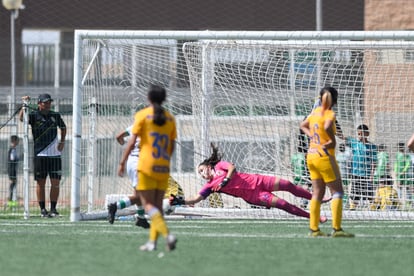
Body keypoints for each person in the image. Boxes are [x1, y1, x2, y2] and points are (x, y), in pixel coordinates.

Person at [170, 143, 330, 223]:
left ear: (208, 166)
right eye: (199, 174)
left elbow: (232, 168)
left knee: (288, 185)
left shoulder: (219, 166)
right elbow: (197, 198)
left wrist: (226, 180)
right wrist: (181, 201)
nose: (202, 174)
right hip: (255, 195)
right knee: (283, 204)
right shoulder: (209, 186)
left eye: (201, 170)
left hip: (259, 180)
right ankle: (313, 217)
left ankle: (316, 198)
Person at [118, 85, 177, 252]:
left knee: (148, 206)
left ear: (149, 99)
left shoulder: (143, 115)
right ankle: (152, 243)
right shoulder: (170, 118)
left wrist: (122, 162)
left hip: (146, 165)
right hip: (163, 166)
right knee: (157, 209)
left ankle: (167, 235)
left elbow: (131, 142)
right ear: (164, 99)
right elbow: (171, 147)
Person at [300, 86, 354, 237]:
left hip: (311, 155)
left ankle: (314, 229)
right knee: (337, 191)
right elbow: (328, 125)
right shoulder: (329, 114)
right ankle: (337, 229)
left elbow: (302, 125)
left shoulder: (315, 113)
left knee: (317, 192)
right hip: (324, 156)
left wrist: (312, 136)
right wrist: (331, 139)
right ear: (334, 101)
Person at [19, 94, 66, 218]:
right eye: (45, 102)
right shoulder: (34, 115)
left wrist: (62, 142)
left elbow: (63, 127)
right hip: (40, 154)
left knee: (55, 182)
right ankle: (43, 210)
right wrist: (24, 105)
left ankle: (54, 209)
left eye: (49, 102)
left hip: (55, 155)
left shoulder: (55, 115)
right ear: (39, 103)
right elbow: (22, 119)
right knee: (41, 183)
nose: (48, 105)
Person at [107, 125, 150, 228]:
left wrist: (124, 144)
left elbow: (118, 137)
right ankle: (114, 206)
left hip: (132, 162)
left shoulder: (135, 126)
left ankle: (141, 218)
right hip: (139, 163)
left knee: (138, 194)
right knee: (140, 196)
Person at [346, 124, 377, 210]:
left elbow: (374, 161)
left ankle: (372, 206)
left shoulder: (372, 146)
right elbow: (343, 137)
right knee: (355, 191)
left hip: (366, 173)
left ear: (367, 134)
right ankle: (353, 206)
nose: (360, 136)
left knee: (369, 191)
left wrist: (372, 174)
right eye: (358, 134)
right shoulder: (354, 143)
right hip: (356, 173)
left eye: (361, 134)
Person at [393, 142, 413, 208]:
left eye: (400, 147)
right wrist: (395, 171)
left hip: (405, 174)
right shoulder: (397, 155)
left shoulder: (406, 155)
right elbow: (396, 163)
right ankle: (400, 203)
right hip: (399, 174)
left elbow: (408, 164)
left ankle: (409, 204)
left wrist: (404, 171)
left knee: (408, 188)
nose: (399, 149)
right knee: (399, 187)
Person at [7, 135, 20, 207]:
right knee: (13, 183)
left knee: (14, 183)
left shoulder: (13, 149)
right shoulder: (12, 149)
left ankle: (12, 199)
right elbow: (12, 160)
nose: (18, 142)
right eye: (17, 141)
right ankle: (10, 200)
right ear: (14, 141)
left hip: (13, 169)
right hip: (11, 169)